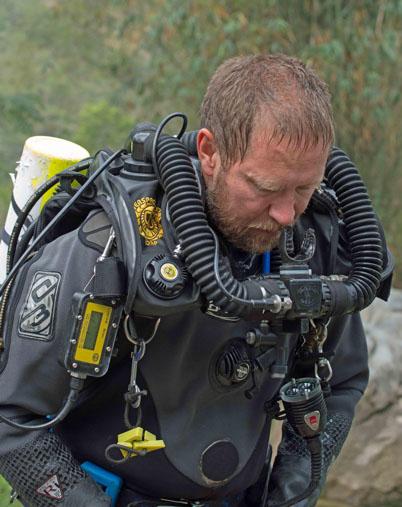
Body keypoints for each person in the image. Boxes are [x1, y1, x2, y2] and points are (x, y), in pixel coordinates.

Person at [0, 54, 392, 507]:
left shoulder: (311, 242)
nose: (286, 213)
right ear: (209, 152)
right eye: (264, 188)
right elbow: (13, 420)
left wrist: (290, 495)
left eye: (303, 188)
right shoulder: (110, 246)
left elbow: (340, 381)